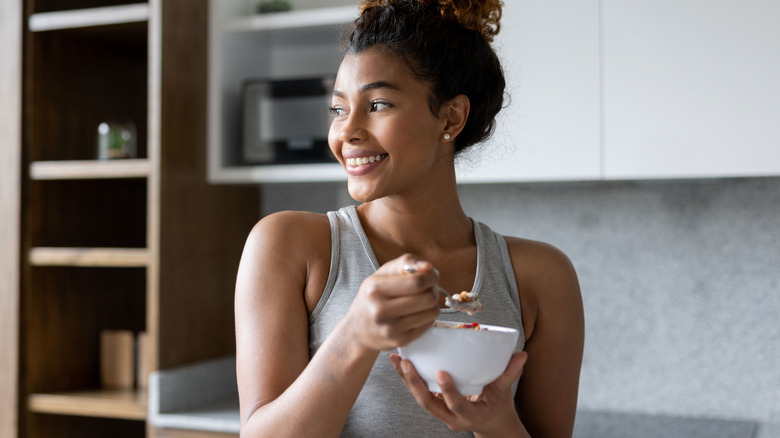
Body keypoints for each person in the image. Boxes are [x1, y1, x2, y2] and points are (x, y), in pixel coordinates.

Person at [234, 0, 584, 436]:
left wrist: (498, 423)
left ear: (452, 117)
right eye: (339, 109)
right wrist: (356, 335)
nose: (347, 132)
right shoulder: (288, 246)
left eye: (378, 104)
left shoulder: (541, 277)